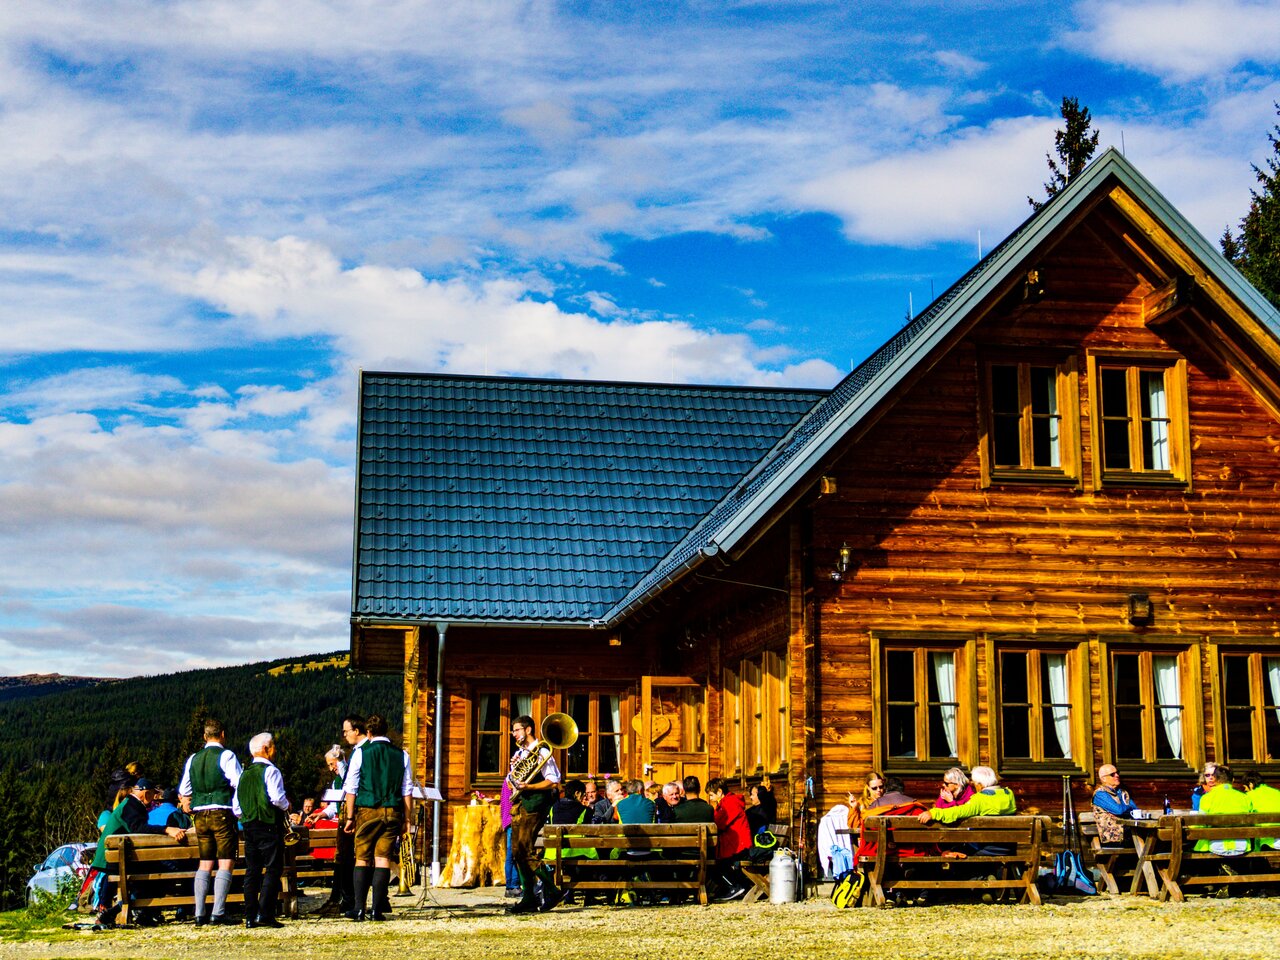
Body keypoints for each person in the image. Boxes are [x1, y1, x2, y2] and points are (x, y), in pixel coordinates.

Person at [83, 778, 186, 927]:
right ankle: (140, 912)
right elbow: (139, 828)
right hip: (116, 861)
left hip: (115, 858)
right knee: (166, 870)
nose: (154, 798)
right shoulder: (132, 806)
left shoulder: (130, 804)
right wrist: (166, 829)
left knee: (156, 871)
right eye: (153, 795)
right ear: (146, 793)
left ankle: (134, 911)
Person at [343, 713, 413, 921]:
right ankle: (376, 909)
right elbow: (406, 789)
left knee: (362, 858)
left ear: (369, 732)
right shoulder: (402, 755)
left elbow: (352, 788)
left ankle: (359, 908)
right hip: (392, 811)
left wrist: (349, 817)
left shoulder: (361, 753)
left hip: (368, 809)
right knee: (383, 859)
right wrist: (408, 820)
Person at [178, 718, 243, 926]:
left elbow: (184, 790)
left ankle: (199, 912)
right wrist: (238, 810)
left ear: (205, 736)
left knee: (205, 862)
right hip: (222, 811)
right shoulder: (226, 755)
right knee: (225, 861)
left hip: (200, 816)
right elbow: (238, 783)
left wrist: (189, 802)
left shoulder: (193, 759)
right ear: (222, 734)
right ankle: (218, 911)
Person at [503, 715, 563, 914]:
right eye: (513, 731)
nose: (514, 734)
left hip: (535, 804)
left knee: (525, 851)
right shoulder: (521, 753)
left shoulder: (542, 751)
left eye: (517, 730)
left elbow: (553, 780)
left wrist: (529, 785)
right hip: (521, 804)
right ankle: (529, 896)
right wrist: (514, 772)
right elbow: (511, 781)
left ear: (528, 730)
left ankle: (552, 890)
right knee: (517, 852)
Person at [234, 732, 291, 928]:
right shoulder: (271, 771)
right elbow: (276, 798)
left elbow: (236, 808)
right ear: (267, 749)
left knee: (252, 870)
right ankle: (265, 913)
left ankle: (250, 915)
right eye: (273, 746)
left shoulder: (244, 774)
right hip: (268, 824)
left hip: (249, 825)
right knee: (273, 868)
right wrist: (287, 805)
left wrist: (248, 816)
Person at [706, 777, 751, 901]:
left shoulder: (729, 803)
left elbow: (719, 823)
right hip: (735, 844)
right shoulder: (728, 802)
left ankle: (735, 887)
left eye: (711, 795)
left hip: (738, 846)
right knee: (716, 862)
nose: (710, 799)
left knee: (717, 864)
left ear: (719, 792)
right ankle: (734, 887)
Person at [1194, 762, 1251, 855]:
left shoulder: (1207, 798)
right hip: (1242, 846)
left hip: (1216, 846)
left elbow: (1199, 825)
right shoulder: (1245, 797)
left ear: (1215, 779)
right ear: (1233, 780)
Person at [1091, 764, 1140, 845]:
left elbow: (1135, 810)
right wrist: (1127, 808)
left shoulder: (1122, 792)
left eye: (1117, 773)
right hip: (1113, 837)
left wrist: (1127, 808)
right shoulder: (1100, 794)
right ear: (1103, 779)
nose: (1117, 775)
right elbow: (1119, 810)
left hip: (1128, 833)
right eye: (1112, 774)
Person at [1242, 771, 1280, 850]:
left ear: (1251, 784)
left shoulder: (1249, 796)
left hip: (1266, 843)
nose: (1245, 790)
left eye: (1245, 788)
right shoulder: (1277, 793)